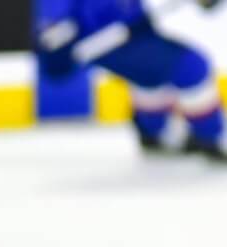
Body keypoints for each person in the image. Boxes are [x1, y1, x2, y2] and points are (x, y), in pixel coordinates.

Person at [35, 0, 226, 161]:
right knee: (189, 66)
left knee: (152, 71)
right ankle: (213, 136)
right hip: (104, 34)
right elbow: (53, 33)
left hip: (128, 29)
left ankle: (155, 131)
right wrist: (58, 38)